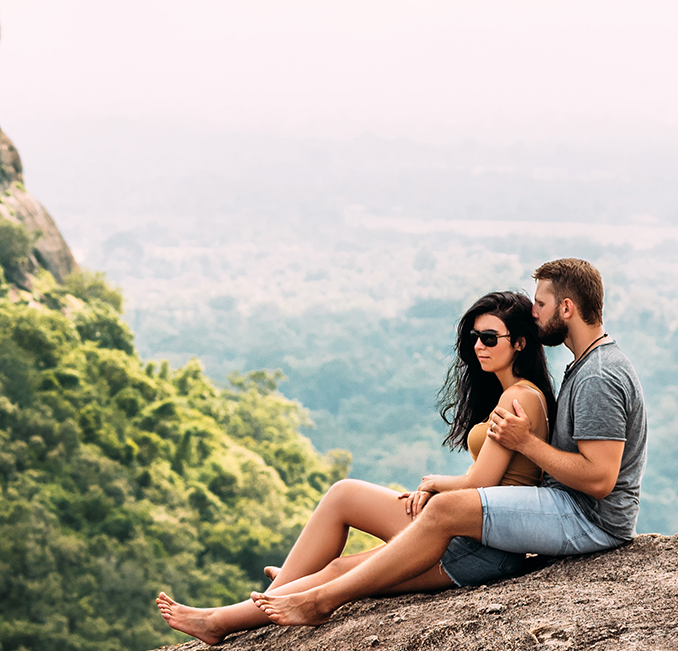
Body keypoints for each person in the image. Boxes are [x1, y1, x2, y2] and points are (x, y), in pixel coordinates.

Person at [242, 258, 647, 629]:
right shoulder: (585, 366)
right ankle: (306, 581)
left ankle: (323, 596)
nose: (533, 313)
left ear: (566, 308)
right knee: (363, 498)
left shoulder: (597, 376)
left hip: (590, 519)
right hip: (567, 507)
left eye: (540, 304)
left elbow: (600, 480)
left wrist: (524, 443)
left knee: (445, 507)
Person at [155, 288, 557, 646]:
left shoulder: (517, 400)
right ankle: (288, 586)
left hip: (481, 549)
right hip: (461, 527)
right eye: (474, 338)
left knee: (338, 570)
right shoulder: (515, 394)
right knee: (344, 494)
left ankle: (220, 620)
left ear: (520, 343)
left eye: (490, 338)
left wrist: (435, 483)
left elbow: (481, 483)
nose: (479, 347)